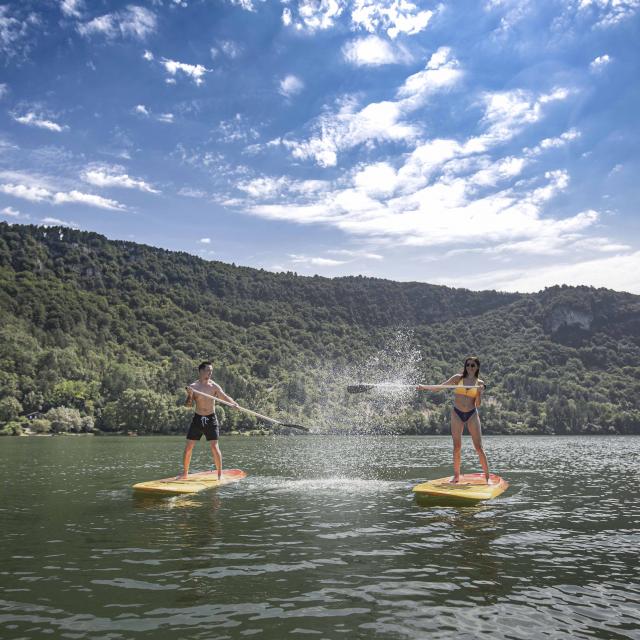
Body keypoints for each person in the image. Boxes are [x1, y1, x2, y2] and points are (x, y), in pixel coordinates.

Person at [417, 356, 492, 484]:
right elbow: (440, 387)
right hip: (457, 414)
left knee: (479, 447)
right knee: (456, 447)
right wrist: (424, 387)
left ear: (477, 367)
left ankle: (487, 478)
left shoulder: (479, 383)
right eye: (467, 365)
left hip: (472, 414)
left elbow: (478, 404)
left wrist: (479, 392)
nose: (469, 367)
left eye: (472, 365)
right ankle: (456, 476)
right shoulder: (458, 378)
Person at [180, 361, 239, 480]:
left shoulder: (214, 386)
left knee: (214, 446)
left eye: (211, 371)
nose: (210, 373)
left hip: (211, 418)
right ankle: (185, 474)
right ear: (200, 371)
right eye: (208, 370)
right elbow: (188, 405)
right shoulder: (194, 387)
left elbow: (224, 397)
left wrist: (233, 404)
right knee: (188, 447)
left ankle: (219, 474)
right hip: (197, 419)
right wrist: (190, 395)